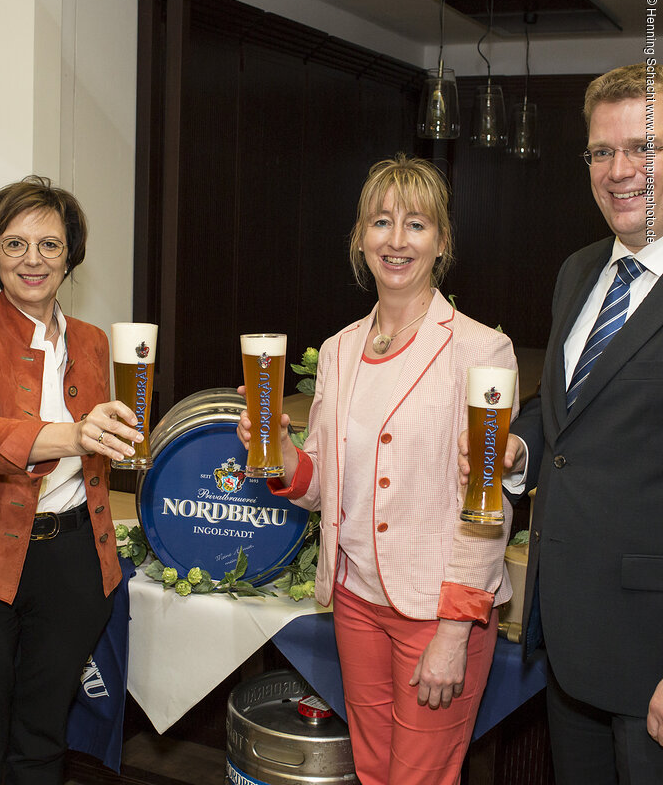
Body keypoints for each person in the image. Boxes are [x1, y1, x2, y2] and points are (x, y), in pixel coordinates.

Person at [238, 155, 518, 785]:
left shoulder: (479, 349)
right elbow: (324, 489)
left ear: (441, 241)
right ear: (359, 238)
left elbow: (487, 505)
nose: (396, 241)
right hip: (356, 599)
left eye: (415, 225)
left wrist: (455, 628)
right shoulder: (338, 350)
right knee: (370, 770)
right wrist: (284, 458)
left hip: (438, 610)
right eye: (381, 222)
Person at [459, 63, 663, 783]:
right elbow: (561, 412)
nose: (621, 170)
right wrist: (517, 447)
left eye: (645, 147)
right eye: (602, 152)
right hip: (566, 634)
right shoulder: (579, 272)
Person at [0, 175, 143, 784]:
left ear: (70, 253)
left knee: (44, 740)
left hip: (72, 561)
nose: (33, 259)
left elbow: (110, 447)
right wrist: (74, 434)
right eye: (14, 244)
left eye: (49, 243)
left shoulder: (96, 343)